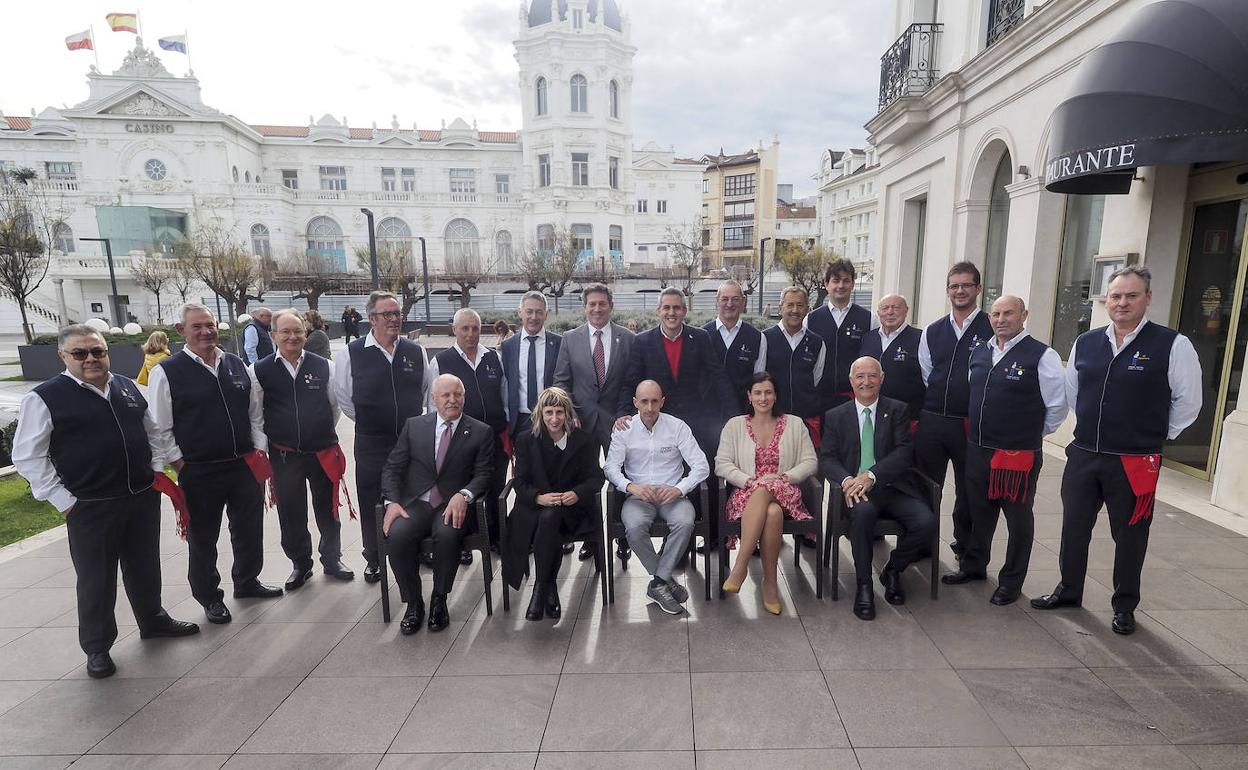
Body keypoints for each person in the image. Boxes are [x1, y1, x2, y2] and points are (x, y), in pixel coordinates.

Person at [13, 325, 199, 679]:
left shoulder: (127, 387)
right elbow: (28, 457)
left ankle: (153, 619)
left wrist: (157, 468)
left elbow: (152, 431)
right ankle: (97, 646)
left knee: (145, 565)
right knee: (96, 579)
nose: (91, 359)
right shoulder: (45, 397)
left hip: (140, 496)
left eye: (97, 351)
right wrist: (64, 500)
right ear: (63, 357)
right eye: (80, 353)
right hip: (90, 504)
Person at [1032, 267, 1202, 635]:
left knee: (1130, 535)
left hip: (1135, 460)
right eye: (1116, 296)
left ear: (1148, 298)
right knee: (1073, 527)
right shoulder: (1087, 341)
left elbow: (1188, 403)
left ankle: (1124, 605)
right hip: (1085, 453)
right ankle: (1069, 589)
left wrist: (1152, 435)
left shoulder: (1173, 345)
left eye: (1131, 295)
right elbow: (1074, 393)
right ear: (1106, 300)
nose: (1122, 302)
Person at [147, 304, 281, 624]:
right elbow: (158, 426)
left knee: (248, 530)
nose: (206, 331)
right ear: (181, 330)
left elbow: (254, 413)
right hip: (198, 469)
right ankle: (209, 596)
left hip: (242, 465)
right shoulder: (166, 371)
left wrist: (259, 449)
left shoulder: (235, 364)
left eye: (210, 324)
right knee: (203, 537)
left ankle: (247, 581)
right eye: (197, 326)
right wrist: (178, 463)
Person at [941, 296, 1068, 605]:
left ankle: (1011, 581)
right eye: (995, 313)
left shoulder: (1042, 355)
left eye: (1008, 313)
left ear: (1023, 315)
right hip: (979, 450)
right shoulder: (981, 352)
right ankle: (974, 566)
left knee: (1018, 520)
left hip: (1016, 455)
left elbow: (1057, 406)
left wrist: (1029, 434)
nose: (1000, 319)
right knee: (979, 513)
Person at [819, 357, 937, 621]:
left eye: (872, 376)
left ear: (882, 378)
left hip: (893, 487)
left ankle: (893, 570)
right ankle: (864, 586)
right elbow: (827, 458)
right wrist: (848, 480)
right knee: (862, 515)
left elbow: (904, 453)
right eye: (860, 376)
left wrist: (872, 476)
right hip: (854, 491)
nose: (866, 382)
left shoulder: (898, 410)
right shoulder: (836, 416)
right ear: (851, 381)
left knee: (926, 522)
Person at [382, 374, 494, 634]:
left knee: (448, 534)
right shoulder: (414, 426)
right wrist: (392, 502)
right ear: (434, 399)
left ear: (464, 398)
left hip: (452, 504)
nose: (452, 400)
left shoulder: (480, 431)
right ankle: (414, 603)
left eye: (457, 395)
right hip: (417, 503)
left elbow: (484, 474)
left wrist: (465, 494)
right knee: (397, 535)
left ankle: (439, 600)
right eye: (446, 395)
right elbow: (392, 468)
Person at [250, 309, 354, 590]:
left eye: (297, 331)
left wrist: (316, 431)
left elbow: (334, 408)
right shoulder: (259, 371)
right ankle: (301, 564)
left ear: (306, 334)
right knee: (291, 511)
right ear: (273, 336)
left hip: (322, 451)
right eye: (285, 332)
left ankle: (332, 559)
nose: (292, 337)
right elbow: (256, 415)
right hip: (284, 455)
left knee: (328, 509)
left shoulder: (324, 366)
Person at [333, 291, 428, 584]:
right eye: (387, 314)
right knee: (373, 498)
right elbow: (344, 398)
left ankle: (417, 549)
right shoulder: (352, 353)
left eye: (397, 313)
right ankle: (374, 556)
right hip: (372, 442)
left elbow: (425, 391)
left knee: (413, 496)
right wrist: (371, 422)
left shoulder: (415, 351)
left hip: (409, 441)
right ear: (372, 318)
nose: (395, 319)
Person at [715, 372, 817, 615]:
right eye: (758, 392)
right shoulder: (735, 425)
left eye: (768, 392)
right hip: (746, 493)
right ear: (749, 396)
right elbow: (722, 463)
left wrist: (784, 477)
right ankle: (769, 583)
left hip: (786, 490)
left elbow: (810, 461)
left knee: (768, 489)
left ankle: (740, 567)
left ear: (775, 395)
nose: (763, 397)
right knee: (771, 512)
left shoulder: (794, 423)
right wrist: (748, 480)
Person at [604, 380, 709, 615]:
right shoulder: (625, 429)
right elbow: (610, 467)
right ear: (635, 403)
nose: (650, 407)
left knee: (685, 522)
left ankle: (658, 582)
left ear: (662, 401)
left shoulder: (677, 426)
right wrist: (631, 486)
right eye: (644, 401)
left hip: (672, 495)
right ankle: (664, 579)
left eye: (654, 401)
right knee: (634, 526)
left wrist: (680, 489)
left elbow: (701, 466)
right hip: (638, 496)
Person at [505, 386, 604, 621]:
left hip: (571, 510)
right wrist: (538, 497)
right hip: (534, 508)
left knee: (551, 519)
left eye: (560, 412)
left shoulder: (582, 440)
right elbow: (519, 481)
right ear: (540, 414)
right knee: (547, 519)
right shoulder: (526, 439)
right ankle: (548, 589)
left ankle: (540, 591)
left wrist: (577, 493)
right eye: (549, 412)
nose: (554, 418)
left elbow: (596, 477)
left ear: (568, 414)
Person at [552, 283, 635, 561]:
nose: (597, 309)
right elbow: (561, 382)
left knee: (621, 477)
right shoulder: (570, 338)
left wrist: (625, 411)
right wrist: (570, 414)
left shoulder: (628, 338)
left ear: (611, 306)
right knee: (585, 480)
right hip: (580, 423)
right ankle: (590, 538)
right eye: (592, 304)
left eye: (602, 303)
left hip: (617, 422)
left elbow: (630, 382)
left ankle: (621, 535)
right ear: (584, 307)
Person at [916, 261, 993, 558]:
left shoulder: (991, 326)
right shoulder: (933, 331)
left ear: (978, 288)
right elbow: (927, 372)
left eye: (966, 285)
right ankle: (922, 543)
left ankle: (967, 549)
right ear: (948, 290)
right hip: (933, 420)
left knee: (970, 490)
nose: (960, 291)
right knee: (926, 485)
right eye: (954, 286)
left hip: (970, 423)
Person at [426, 308, 508, 554]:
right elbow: (433, 406)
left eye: (475, 328)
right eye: (465, 328)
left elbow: (503, 396)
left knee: (494, 488)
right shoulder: (441, 361)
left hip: (494, 437)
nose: (471, 334)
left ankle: (494, 536)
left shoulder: (493, 357)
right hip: (459, 441)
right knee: (462, 490)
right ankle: (464, 541)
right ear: (455, 330)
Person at [805, 258, 873, 413]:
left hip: (854, 399)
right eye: (836, 281)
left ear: (853, 284)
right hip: (819, 398)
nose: (841, 286)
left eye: (846, 281)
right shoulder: (810, 319)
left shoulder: (869, 319)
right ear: (826, 284)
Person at [763, 287, 827, 443]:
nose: (795, 310)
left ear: (807, 309)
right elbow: (760, 376)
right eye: (790, 305)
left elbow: (816, 377)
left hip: (806, 418)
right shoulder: (764, 338)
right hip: (773, 416)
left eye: (800, 305)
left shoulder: (817, 342)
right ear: (780, 307)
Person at [501, 291, 564, 438]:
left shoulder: (559, 343)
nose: (534, 317)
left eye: (539, 312)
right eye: (529, 312)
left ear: (546, 314)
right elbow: (506, 383)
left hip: (551, 420)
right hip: (520, 420)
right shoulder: (508, 346)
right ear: (520, 312)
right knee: (523, 461)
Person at [703, 279, 767, 415]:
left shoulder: (757, 338)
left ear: (743, 301)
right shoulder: (702, 336)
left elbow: (758, 382)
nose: (729, 304)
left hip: (742, 415)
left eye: (735, 299)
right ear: (717, 301)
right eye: (725, 299)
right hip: (707, 416)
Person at [860, 294, 925, 425]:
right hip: (872, 415)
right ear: (878, 313)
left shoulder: (921, 338)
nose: (890, 312)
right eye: (885, 308)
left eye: (896, 307)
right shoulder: (868, 338)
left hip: (908, 416)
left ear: (906, 311)